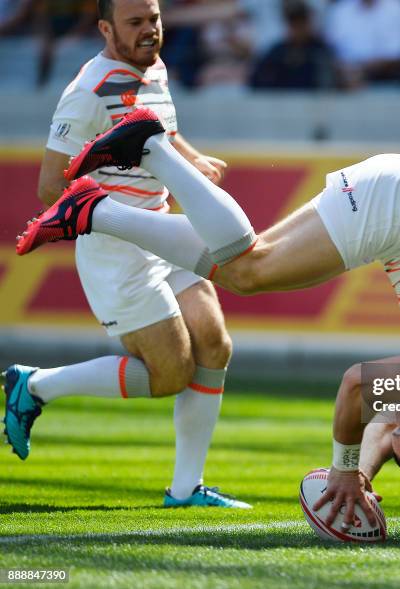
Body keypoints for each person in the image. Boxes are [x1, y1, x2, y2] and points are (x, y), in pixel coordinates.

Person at [12, 107, 400, 529]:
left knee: (240, 264)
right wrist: (343, 470)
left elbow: (392, 418)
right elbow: (356, 389)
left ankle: (94, 210)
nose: (392, 422)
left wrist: (358, 475)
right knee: (251, 272)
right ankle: (146, 153)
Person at [4, 0, 251, 509]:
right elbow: (51, 186)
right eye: (135, 23)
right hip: (118, 253)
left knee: (215, 344)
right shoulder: (90, 90)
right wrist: (121, 216)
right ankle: (35, 384)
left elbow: (164, 132)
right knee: (169, 376)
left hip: (164, 233)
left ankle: (185, 490)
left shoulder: (154, 68)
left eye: (154, 20)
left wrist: (193, 158)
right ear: (104, 28)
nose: (149, 31)